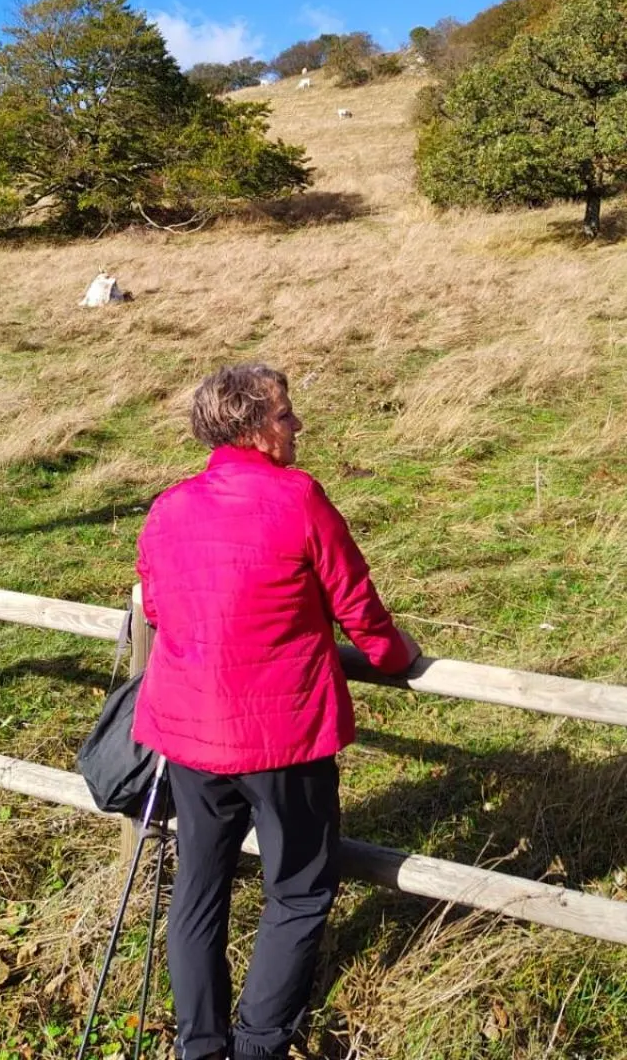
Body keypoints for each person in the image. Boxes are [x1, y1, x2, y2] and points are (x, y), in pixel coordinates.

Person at [133, 363, 421, 1060]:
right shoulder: (298, 499)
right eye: (287, 415)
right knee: (296, 890)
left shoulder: (169, 506)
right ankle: (260, 1046)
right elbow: (357, 606)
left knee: (199, 889)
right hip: (282, 734)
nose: (298, 426)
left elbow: (161, 608)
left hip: (191, 734)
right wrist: (395, 656)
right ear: (256, 429)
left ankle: (200, 1046)